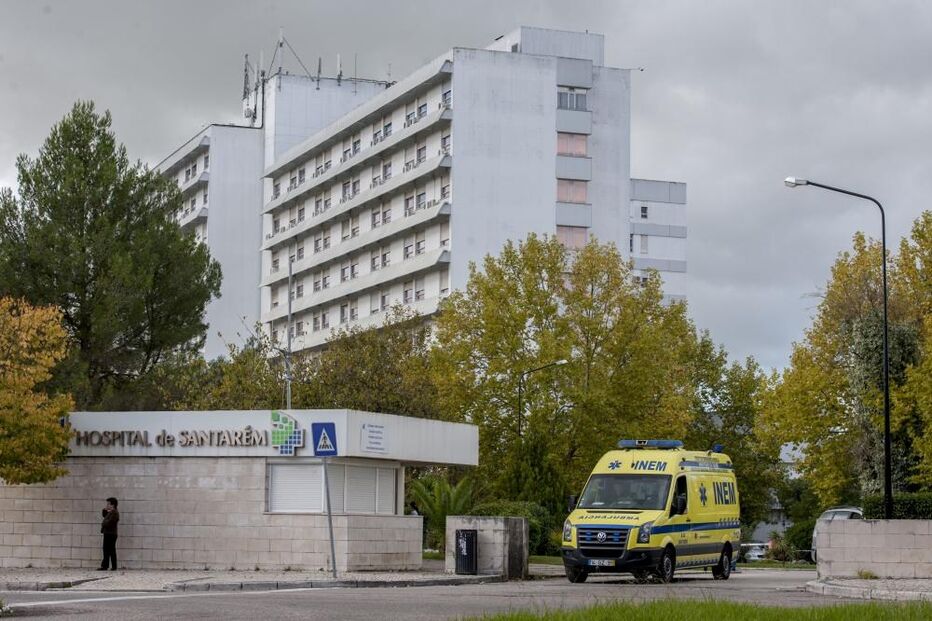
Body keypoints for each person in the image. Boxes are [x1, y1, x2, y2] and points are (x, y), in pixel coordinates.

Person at [99, 497, 119, 571]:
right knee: (106, 549)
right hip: (108, 533)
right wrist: (104, 510)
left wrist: (104, 523)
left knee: (110, 550)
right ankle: (105, 565)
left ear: (112, 505)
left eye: (108, 504)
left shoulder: (114, 513)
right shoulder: (111, 512)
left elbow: (109, 522)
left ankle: (113, 566)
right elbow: (105, 516)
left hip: (111, 534)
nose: (107, 505)